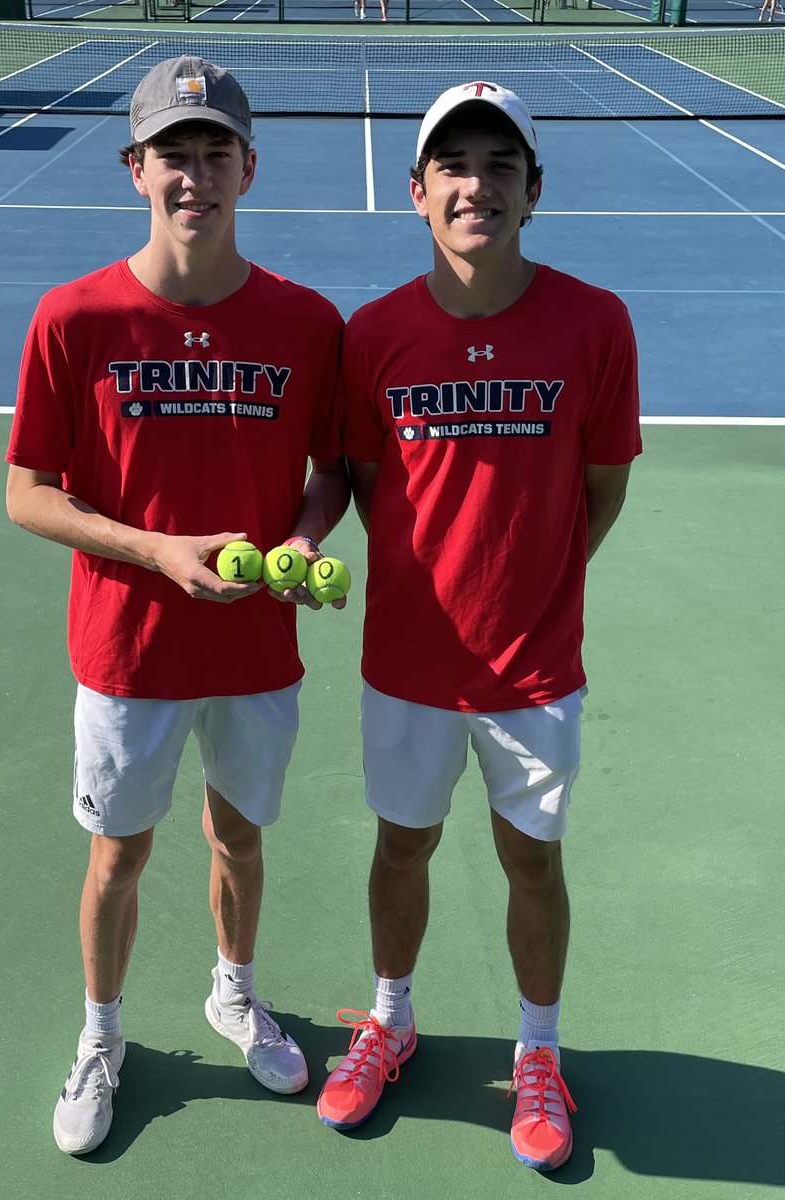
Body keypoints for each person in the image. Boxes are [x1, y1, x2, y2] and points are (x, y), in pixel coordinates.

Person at [5, 55, 348, 1156]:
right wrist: (154, 550)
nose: (194, 176)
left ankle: (234, 993)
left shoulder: (305, 323)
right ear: (134, 170)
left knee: (238, 837)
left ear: (248, 166)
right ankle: (103, 1033)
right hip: (127, 649)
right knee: (118, 854)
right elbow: (27, 494)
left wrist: (301, 538)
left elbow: (332, 469)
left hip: (255, 647)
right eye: (172, 155)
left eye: (214, 153)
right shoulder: (74, 317)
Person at [316, 80, 641, 1172]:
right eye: (454, 165)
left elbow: (602, 489)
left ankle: (538, 1051)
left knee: (531, 860)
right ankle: (391, 1019)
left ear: (533, 192)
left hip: (535, 670)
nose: (477, 184)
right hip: (408, 665)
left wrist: (535, 584)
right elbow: (364, 484)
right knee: (400, 845)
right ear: (417, 193)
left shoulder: (596, 322)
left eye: (500, 165)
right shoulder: (372, 337)